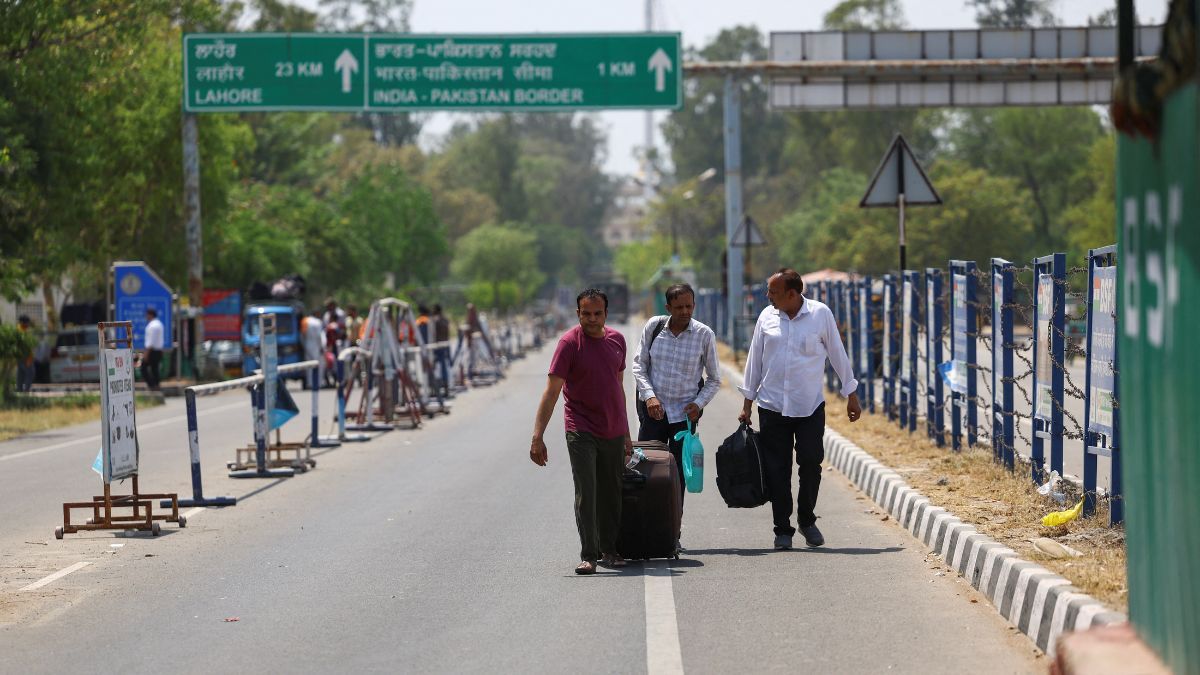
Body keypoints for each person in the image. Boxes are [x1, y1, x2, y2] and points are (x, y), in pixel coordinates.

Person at [738, 269, 861, 550]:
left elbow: (837, 353)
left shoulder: (820, 315)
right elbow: (754, 360)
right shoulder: (766, 317)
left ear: (792, 294)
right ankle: (783, 529)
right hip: (772, 407)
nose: (767, 297)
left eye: (773, 292)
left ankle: (807, 519)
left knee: (810, 463)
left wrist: (850, 394)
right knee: (777, 470)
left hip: (809, 406)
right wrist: (747, 404)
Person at [530, 289, 633, 575]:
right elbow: (551, 392)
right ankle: (590, 554)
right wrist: (537, 436)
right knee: (587, 490)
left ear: (605, 314)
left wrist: (625, 432)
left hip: (612, 427)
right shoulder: (568, 344)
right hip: (580, 427)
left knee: (611, 491)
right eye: (585, 314)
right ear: (577, 314)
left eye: (597, 313)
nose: (591, 319)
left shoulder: (617, 341)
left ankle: (610, 549)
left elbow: (618, 388)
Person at [631, 283, 721, 547]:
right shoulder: (654, 327)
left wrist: (698, 403)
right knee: (645, 470)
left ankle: (672, 533)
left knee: (678, 476)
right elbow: (639, 366)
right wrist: (649, 396)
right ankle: (644, 530)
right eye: (679, 307)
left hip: (684, 418)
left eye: (689, 306)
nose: (685, 312)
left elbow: (715, 379)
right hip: (653, 414)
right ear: (668, 307)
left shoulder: (704, 334)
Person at [432, 304, 452, 397]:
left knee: (435, 368)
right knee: (444, 367)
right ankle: (446, 387)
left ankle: (435, 388)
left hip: (437, 347)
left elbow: (433, 334)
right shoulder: (445, 320)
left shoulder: (436, 320)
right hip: (445, 345)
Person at [142, 308, 165, 391]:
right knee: (155, 369)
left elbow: (150, 342)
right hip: (158, 350)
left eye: (147, 314)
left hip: (152, 351)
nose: (146, 316)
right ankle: (156, 385)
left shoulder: (152, 326)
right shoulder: (159, 324)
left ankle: (152, 385)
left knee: (143, 368)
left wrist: (146, 353)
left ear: (151, 315)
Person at [302, 310, 324, 389]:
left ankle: (309, 383)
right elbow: (319, 336)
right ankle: (318, 383)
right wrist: (321, 346)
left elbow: (302, 334)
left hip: (307, 344)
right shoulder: (317, 322)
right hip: (316, 345)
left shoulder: (305, 320)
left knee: (309, 365)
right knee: (318, 365)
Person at [16, 315, 34, 392]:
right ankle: (26, 391)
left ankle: (19, 390)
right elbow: (26, 346)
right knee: (30, 372)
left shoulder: (18, 329)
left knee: (20, 373)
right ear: (23, 323)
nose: (28, 325)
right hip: (24, 356)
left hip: (19, 356)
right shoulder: (22, 331)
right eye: (27, 323)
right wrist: (28, 358)